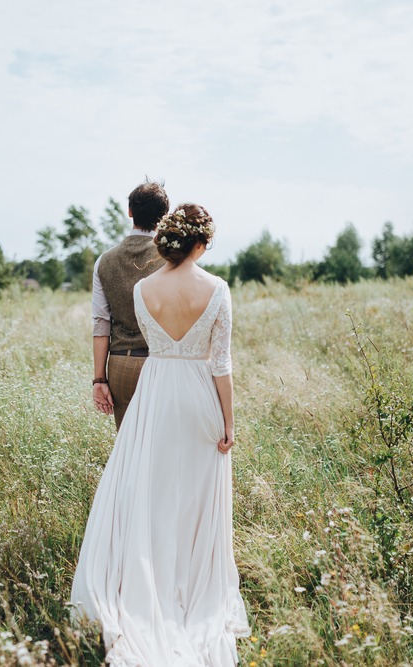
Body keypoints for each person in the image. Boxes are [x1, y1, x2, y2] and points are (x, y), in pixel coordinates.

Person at [71, 204, 250, 666]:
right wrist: (229, 422)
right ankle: (190, 586)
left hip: (154, 393)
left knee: (151, 490)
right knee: (194, 495)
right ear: (198, 243)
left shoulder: (143, 288)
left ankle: (146, 580)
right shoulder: (218, 289)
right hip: (197, 397)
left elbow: (141, 335)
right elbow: (222, 364)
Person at [92, 181, 169, 429]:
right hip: (162, 364)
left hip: (120, 366)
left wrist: (99, 379)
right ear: (164, 216)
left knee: (128, 447)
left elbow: (101, 323)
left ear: (130, 212)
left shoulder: (104, 261)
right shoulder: (170, 259)